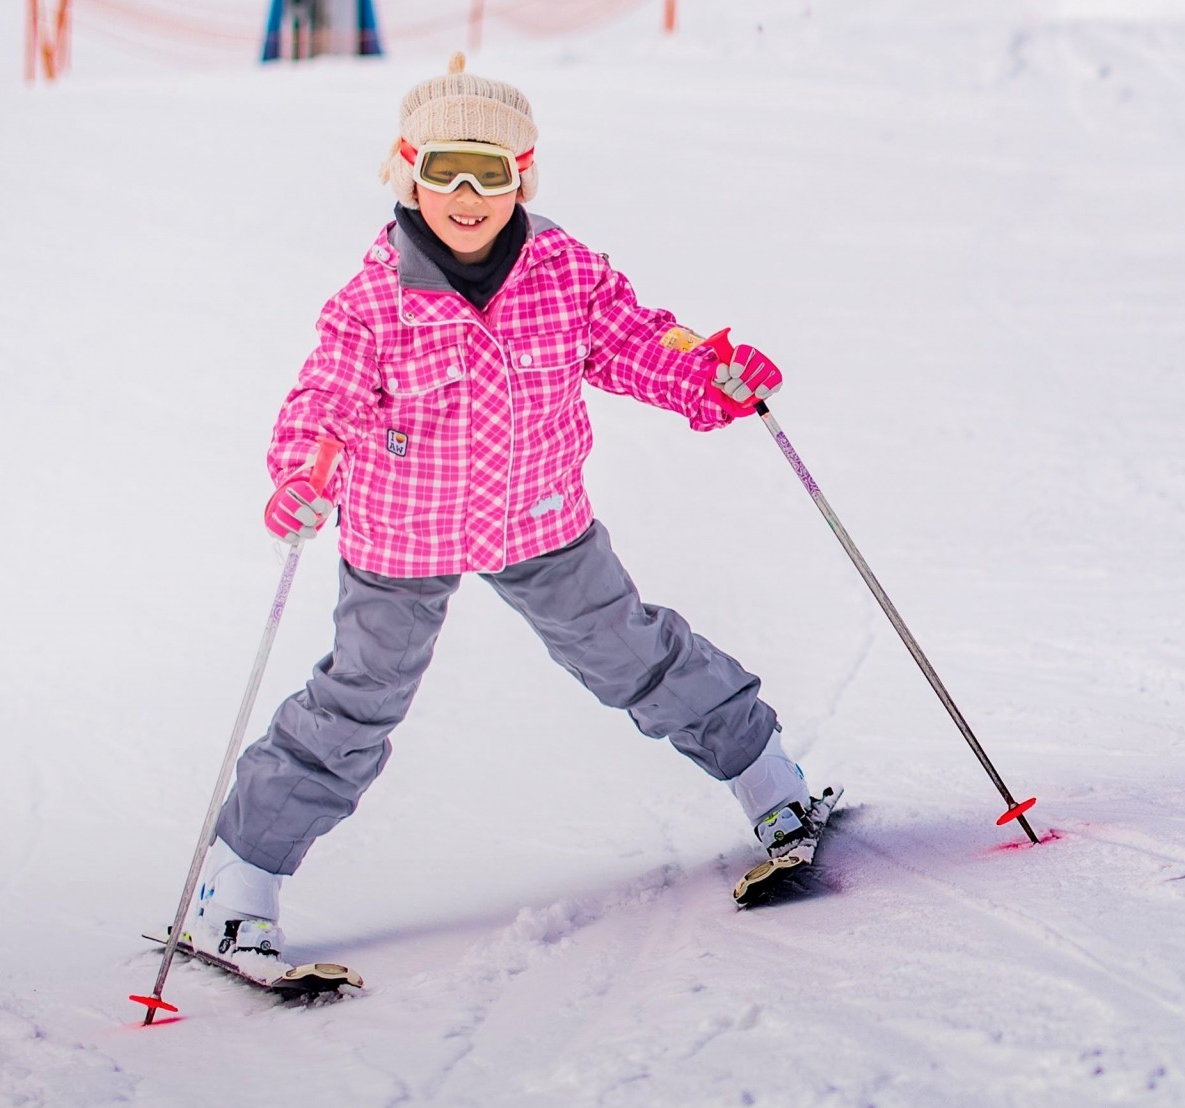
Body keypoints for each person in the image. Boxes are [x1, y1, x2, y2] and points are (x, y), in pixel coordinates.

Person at [184, 54, 810, 962]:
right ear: (407, 169)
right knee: (359, 702)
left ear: (524, 176)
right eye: (445, 170)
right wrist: (306, 469)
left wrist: (704, 376)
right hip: (403, 533)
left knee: (631, 653)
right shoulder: (375, 300)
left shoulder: (564, 272)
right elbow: (324, 401)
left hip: (538, 515)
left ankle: (770, 781)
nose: (469, 193)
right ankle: (235, 884)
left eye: (494, 171)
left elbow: (636, 341)